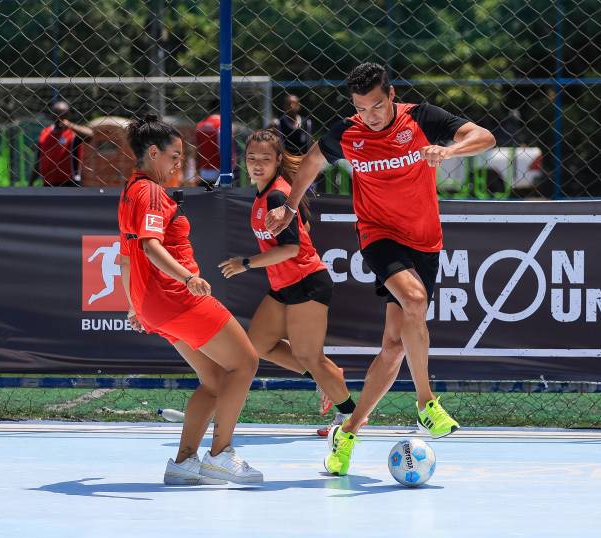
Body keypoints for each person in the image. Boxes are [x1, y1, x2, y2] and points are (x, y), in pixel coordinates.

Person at [266, 62, 496, 476]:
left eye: (376, 106)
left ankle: (348, 433)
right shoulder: (348, 132)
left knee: (393, 348)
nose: (369, 116)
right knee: (415, 298)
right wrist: (289, 206)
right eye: (361, 108)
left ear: (391, 96)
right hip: (378, 236)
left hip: (425, 241)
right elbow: (313, 161)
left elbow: (484, 136)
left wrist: (448, 150)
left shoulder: (421, 119)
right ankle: (426, 402)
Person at [118, 114, 263, 485]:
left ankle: (184, 463)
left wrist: (134, 303)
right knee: (244, 362)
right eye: (174, 155)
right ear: (153, 153)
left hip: (155, 304)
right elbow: (149, 247)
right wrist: (188, 278)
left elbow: (125, 255)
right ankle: (221, 454)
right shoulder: (150, 192)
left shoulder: (132, 190)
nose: (180, 163)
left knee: (215, 378)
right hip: (176, 297)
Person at [218, 129, 356, 436]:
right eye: (251, 158)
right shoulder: (269, 194)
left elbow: (292, 248)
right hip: (283, 285)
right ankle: (327, 374)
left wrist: (246, 264)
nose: (257, 164)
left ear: (278, 160)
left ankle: (350, 416)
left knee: (310, 357)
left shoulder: (278, 194)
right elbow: (302, 225)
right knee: (257, 346)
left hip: (307, 282)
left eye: (265, 159)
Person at [29, 101, 93, 187]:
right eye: (56, 113)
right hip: (48, 183)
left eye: (63, 114)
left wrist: (70, 125)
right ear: (52, 115)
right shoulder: (45, 132)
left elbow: (90, 135)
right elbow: (39, 159)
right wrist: (31, 182)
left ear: (68, 115)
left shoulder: (73, 133)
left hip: (69, 183)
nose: (59, 116)